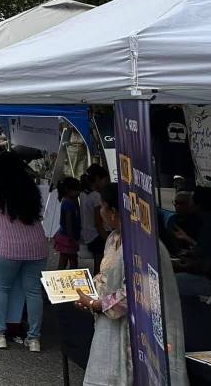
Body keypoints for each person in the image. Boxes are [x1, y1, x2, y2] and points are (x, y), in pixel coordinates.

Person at [0, 151, 48, 352]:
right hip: (38, 245)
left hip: (9, 247)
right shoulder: (29, 185)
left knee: (1, 288)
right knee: (34, 291)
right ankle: (34, 339)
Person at [74, 184, 129, 384]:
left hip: (128, 331)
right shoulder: (114, 238)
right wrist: (87, 291)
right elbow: (105, 274)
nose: (101, 213)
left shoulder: (137, 246)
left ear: (113, 212)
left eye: (103, 208)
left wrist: (96, 304)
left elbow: (133, 293)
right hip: (107, 325)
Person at [174, 185, 211, 297]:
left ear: (198, 206)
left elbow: (204, 268)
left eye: (190, 202)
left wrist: (176, 266)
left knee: (172, 282)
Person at [79, 164, 110, 274]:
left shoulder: (83, 194)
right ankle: (98, 287)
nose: (106, 183)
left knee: (98, 265)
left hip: (88, 235)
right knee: (100, 267)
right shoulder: (96, 196)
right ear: (97, 179)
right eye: (105, 180)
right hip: (97, 236)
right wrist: (107, 239)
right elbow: (98, 222)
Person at [54, 177, 82, 269]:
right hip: (68, 237)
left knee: (65, 259)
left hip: (66, 236)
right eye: (76, 190)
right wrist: (71, 238)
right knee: (71, 260)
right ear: (68, 190)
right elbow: (68, 221)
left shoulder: (70, 201)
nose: (78, 192)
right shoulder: (68, 203)